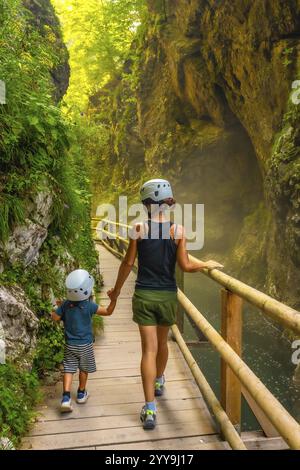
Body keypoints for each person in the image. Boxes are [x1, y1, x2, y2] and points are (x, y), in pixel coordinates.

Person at [108, 178, 223, 430]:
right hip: (167, 296)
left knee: (148, 350)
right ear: (168, 204)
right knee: (162, 344)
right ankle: (160, 380)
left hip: (144, 296)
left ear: (148, 204)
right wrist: (206, 264)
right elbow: (186, 265)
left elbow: (127, 264)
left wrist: (115, 292)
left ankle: (149, 409)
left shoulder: (138, 229)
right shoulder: (178, 231)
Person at [52, 269, 116, 412]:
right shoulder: (89, 305)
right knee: (83, 368)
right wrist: (113, 299)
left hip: (70, 344)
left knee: (68, 369)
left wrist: (56, 308)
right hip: (85, 345)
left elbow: (55, 318)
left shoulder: (65, 305)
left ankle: (66, 398)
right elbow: (108, 312)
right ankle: (81, 393)